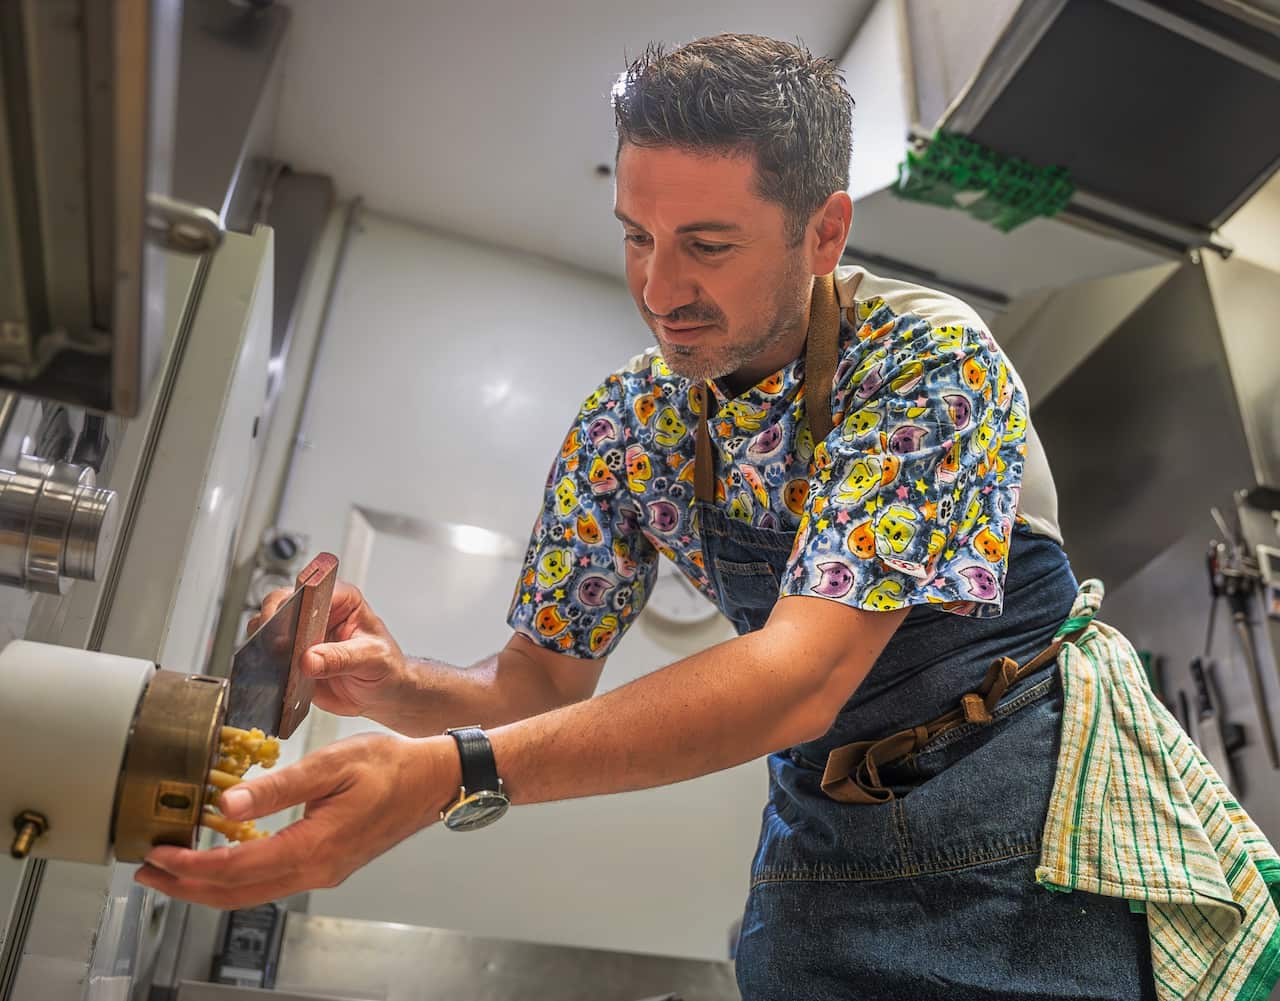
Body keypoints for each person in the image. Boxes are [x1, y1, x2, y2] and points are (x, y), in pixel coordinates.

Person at [134, 35, 1168, 999]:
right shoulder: (628, 426)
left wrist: (449, 775)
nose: (657, 286)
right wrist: (403, 691)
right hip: (826, 842)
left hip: (1036, 836)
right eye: (637, 236)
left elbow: (800, 675)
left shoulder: (924, 359)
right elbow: (533, 684)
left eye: (706, 245)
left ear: (824, 231)